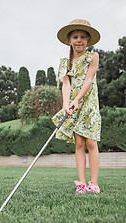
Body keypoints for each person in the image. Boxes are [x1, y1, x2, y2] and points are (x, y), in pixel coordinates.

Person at [52, 19, 101, 194]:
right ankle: (81, 184)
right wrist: (66, 104)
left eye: (82, 37)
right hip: (73, 106)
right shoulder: (64, 63)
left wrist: (78, 99)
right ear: (69, 40)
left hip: (89, 103)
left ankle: (93, 183)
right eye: (75, 37)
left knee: (91, 141)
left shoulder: (92, 57)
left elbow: (88, 79)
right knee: (79, 143)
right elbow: (66, 85)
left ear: (88, 41)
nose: (78, 40)